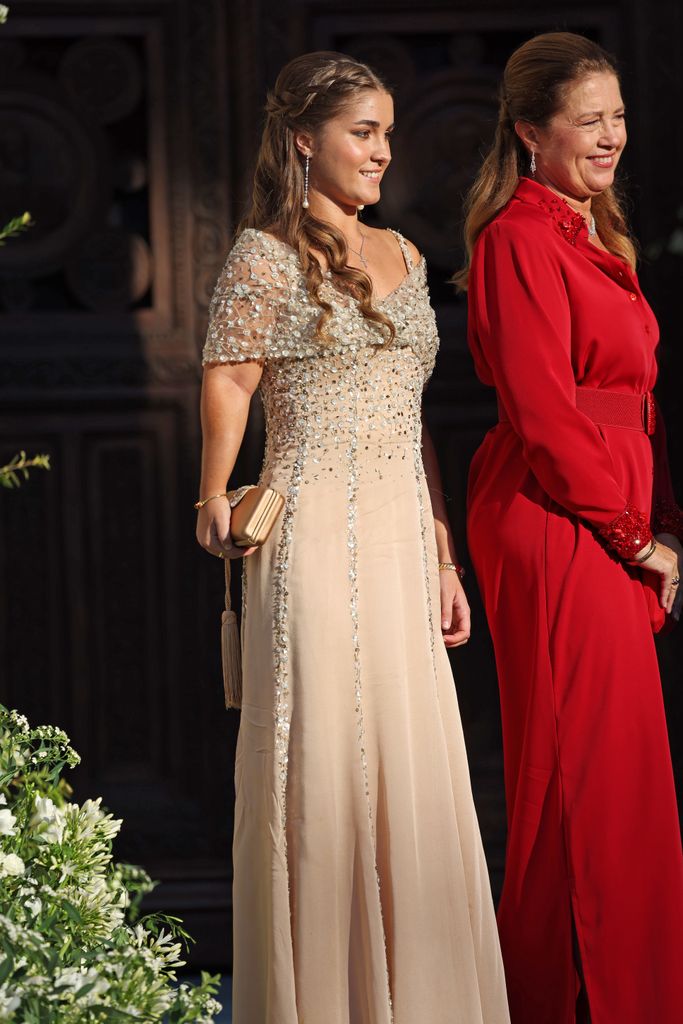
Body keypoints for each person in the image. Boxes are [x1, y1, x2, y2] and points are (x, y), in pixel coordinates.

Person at [196, 51, 509, 1024]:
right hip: (314, 540)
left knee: (409, 762)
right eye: (359, 132)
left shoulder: (408, 257)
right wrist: (210, 493)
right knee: (327, 757)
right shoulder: (265, 254)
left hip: (398, 541)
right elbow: (229, 378)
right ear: (304, 139)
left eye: (384, 132)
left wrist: (443, 553)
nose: (380, 151)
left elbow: (408, 421)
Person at [457, 30, 683, 1024]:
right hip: (557, 522)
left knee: (620, 786)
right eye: (586, 120)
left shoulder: (592, 233)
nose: (608, 137)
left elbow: (633, 400)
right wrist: (635, 534)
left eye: (617, 117)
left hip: (605, 513)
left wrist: (654, 515)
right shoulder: (514, 238)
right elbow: (547, 418)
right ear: (529, 133)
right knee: (573, 788)